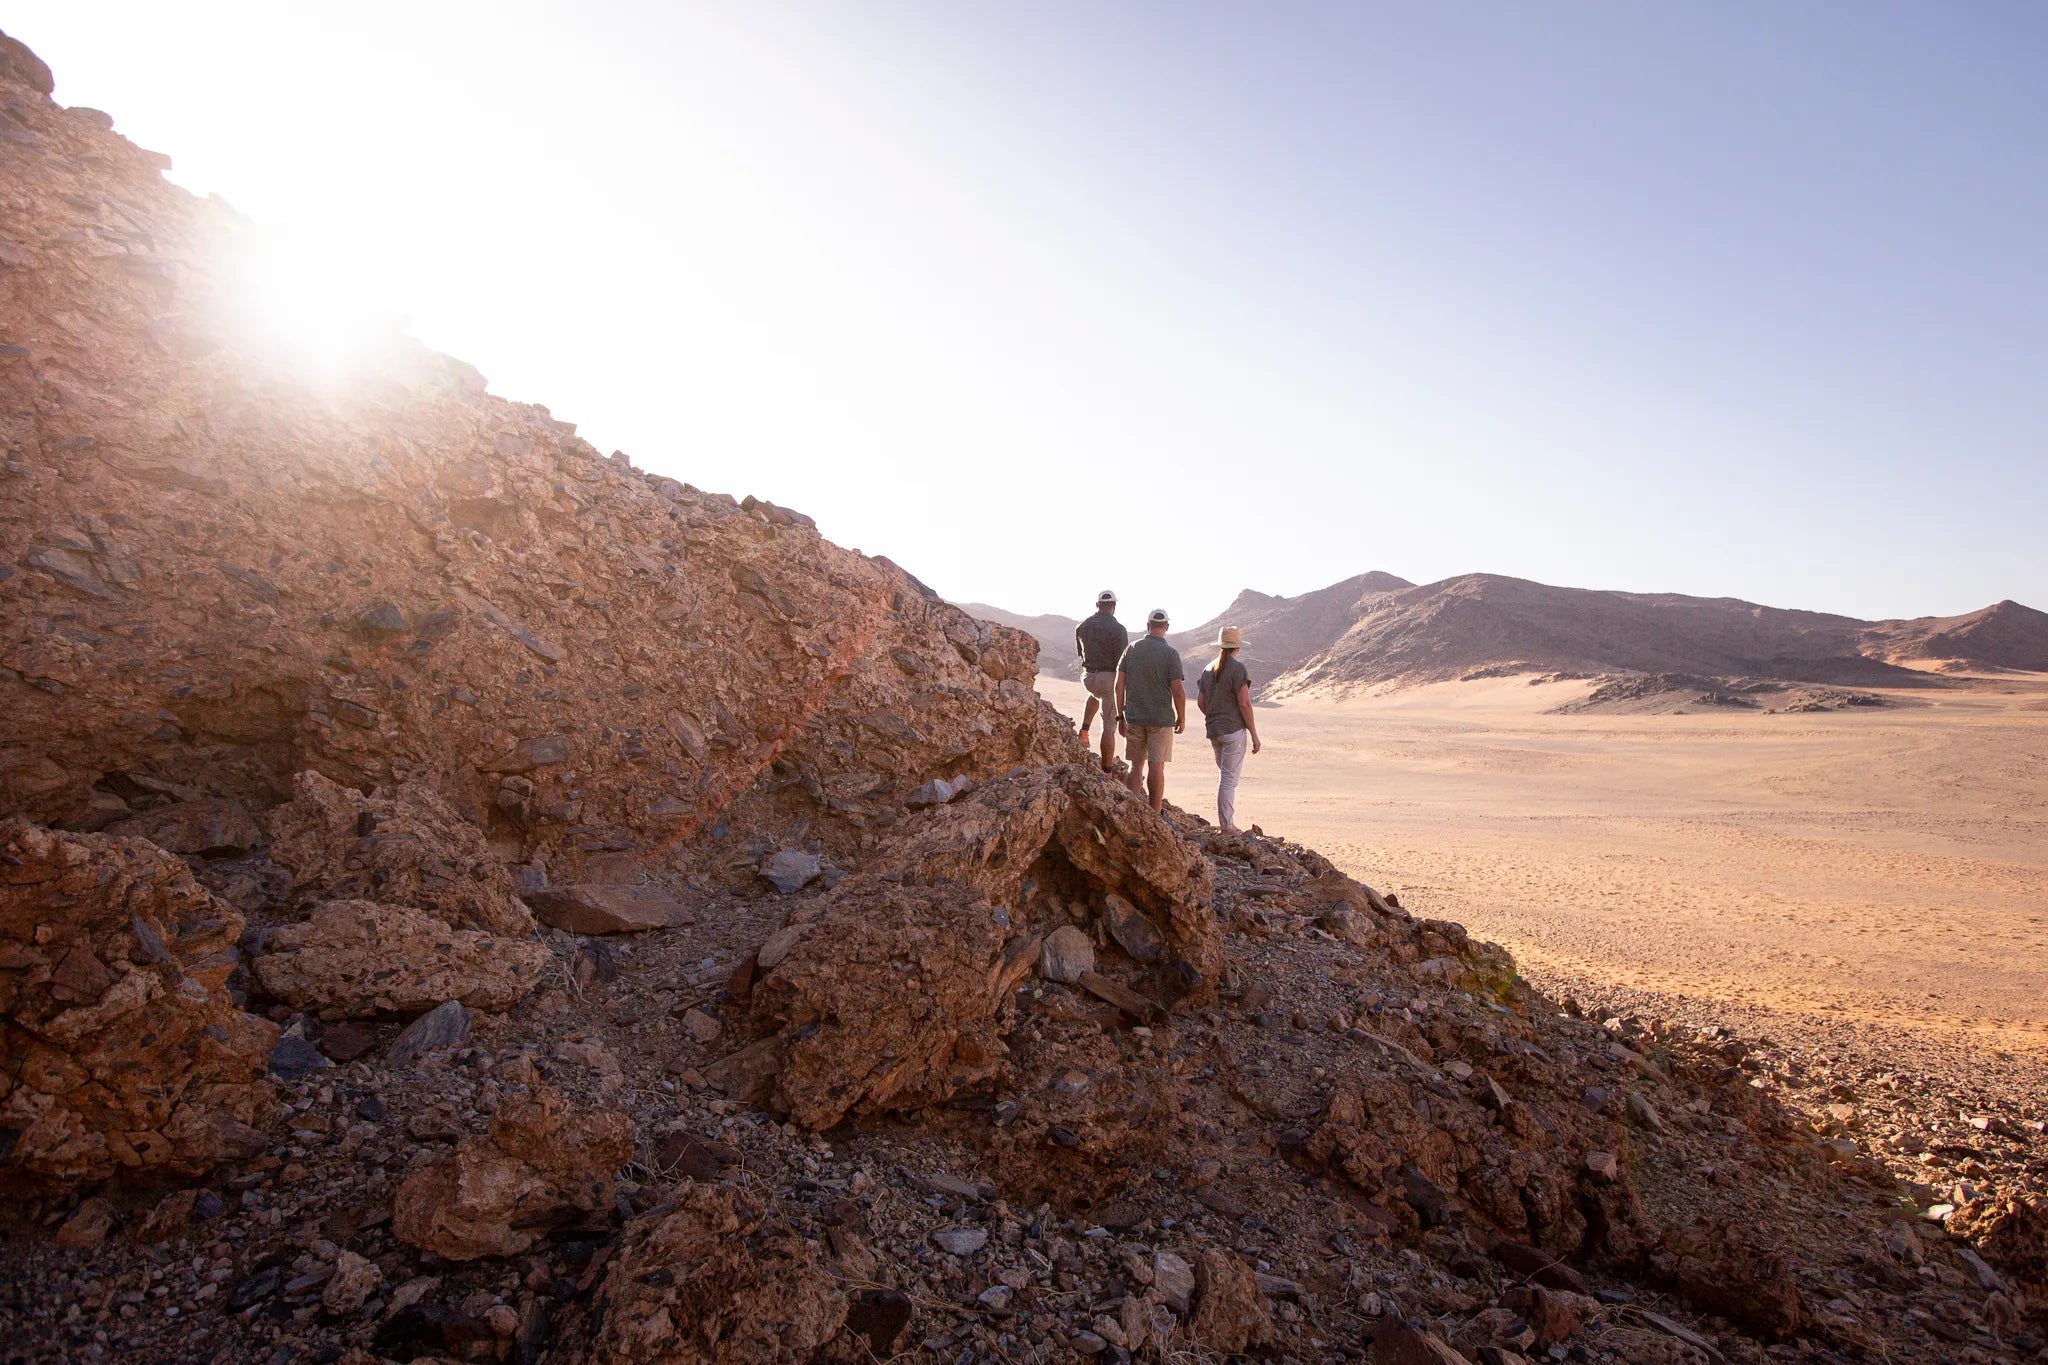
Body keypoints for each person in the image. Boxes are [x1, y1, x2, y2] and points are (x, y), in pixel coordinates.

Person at [1114, 607, 1185, 813]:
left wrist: (1120, 716)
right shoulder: (1171, 654)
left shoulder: (1131, 649)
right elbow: (1178, 690)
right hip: (1161, 719)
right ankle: (1154, 813)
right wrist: (1181, 718)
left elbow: (1119, 686)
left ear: (1148, 626)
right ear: (1167, 627)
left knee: (1136, 765)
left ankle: (1131, 811)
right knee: (1157, 765)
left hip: (1134, 717)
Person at [1195, 625, 1261, 834]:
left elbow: (1201, 702)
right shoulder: (1237, 668)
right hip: (1233, 730)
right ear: (1237, 648)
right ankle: (1227, 826)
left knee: (1224, 777)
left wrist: (1213, 717)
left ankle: (1227, 822)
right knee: (1228, 781)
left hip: (1215, 731)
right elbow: (1244, 703)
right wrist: (1253, 733)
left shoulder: (1208, 669)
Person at [1074, 590, 1129, 772]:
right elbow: (1122, 662)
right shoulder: (1118, 629)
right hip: (1108, 678)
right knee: (1109, 728)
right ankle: (1107, 770)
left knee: (1095, 695)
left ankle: (1084, 731)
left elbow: (1080, 654)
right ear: (1114, 606)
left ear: (1097, 605)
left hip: (1088, 677)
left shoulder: (1081, 626)